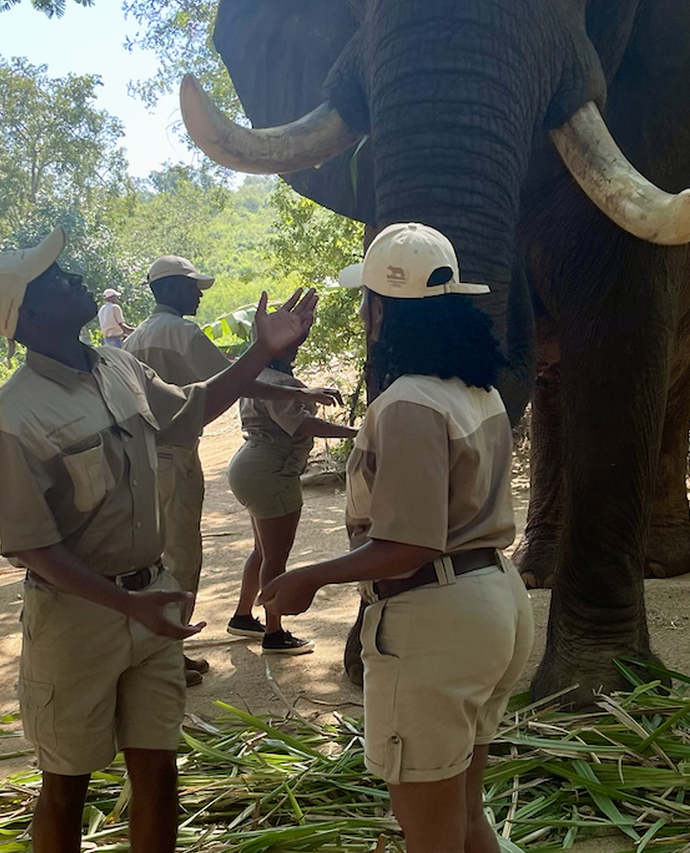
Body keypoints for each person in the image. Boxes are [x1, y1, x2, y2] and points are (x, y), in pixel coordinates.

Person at [0, 227, 318, 853]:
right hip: (77, 621)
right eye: (55, 279)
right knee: (67, 786)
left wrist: (261, 353)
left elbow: (191, 407)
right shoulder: (14, 414)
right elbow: (31, 547)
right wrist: (124, 606)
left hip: (151, 602)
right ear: (24, 317)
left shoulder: (117, 362)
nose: (74, 277)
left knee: (160, 772)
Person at [260, 223, 534, 853]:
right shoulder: (478, 391)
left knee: (430, 831)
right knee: (464, 815)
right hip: (493, 599)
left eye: (366, 301)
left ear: (380, 311)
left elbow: (412, 543)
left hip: (437, 620)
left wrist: (310, 577)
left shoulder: (410, 403)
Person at [125, 255, 341, 681]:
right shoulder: (180, 332)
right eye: (192, 286)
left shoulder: (136, 337)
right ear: (168, 289)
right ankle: (166, 658)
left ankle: (158, 650)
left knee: (154, 554)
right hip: (175, 453)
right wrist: (299, 390)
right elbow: (233, 378)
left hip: (142, 457)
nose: (200, 293)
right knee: (182, 557)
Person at [226, 340, 357, 654]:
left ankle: (243, 615)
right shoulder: (282, 382)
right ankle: (274, 632)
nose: (294, 351)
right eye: (288, 346)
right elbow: (300, 425)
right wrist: (356, 433)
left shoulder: (260, 377)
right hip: (272, 470)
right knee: (275, 555)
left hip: (250, 465)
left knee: (262, 550)